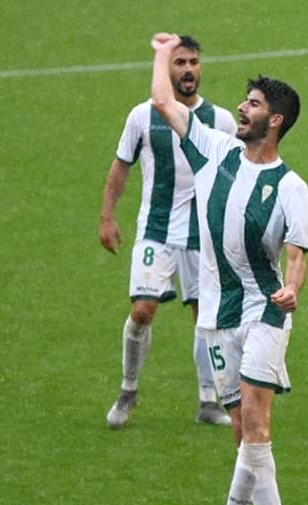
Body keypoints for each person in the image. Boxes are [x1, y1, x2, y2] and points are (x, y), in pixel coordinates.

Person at [148, 32, 308, 505]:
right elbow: (165, 104)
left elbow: (297, 254)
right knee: (243, 431)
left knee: (257, 423)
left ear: (277, 122)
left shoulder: (292, 187)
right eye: (244, 102)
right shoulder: (216, 149)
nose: (242, 108)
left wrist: (292, 290)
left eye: (254, 105)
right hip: (216, 316)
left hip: (265, 313)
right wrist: (161, 55)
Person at [100, 35, 236, 429]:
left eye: (194, 61)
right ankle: (128, 391)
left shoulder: (221, 120)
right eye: (180, 63)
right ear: (168, 68)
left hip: (202, 236)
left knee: (206, 318)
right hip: (156, 229)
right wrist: (108, 216)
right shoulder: (143, 115)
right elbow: (121, 165)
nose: (188, 69)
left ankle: (209, 401)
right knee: (143, 310)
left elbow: (232, 174)